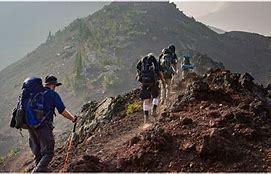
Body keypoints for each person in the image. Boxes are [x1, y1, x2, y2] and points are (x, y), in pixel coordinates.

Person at [28, 75, 77, 172]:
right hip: (43, 127)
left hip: (31, 127)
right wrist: (72, 118)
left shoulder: (35, 94)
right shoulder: (52, 94)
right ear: (54, 85)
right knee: (48, 153)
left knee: (39, 154)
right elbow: (62, 110)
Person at [136, 53, 165, 124]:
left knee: (146, 99)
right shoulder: (153, 61)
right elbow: (159, 71)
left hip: (144, 82)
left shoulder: (142, 61)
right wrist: (162, 80)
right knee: (156, 96)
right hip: (152, 82)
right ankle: (154, 110)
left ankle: (146, 118)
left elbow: (138, 68)